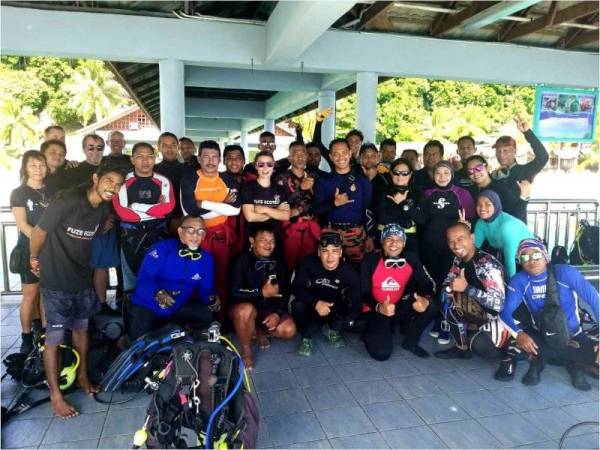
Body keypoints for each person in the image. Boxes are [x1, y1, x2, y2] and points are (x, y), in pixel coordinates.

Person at [29, 165, 124, 418]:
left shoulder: (103, 208)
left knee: (82, 329)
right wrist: (34, 258)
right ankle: (56, 395)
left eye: (118, 185)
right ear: (95, 178)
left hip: (82, 279)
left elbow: (101, 227)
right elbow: (39, 231)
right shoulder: (67, 200)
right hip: (57, 281)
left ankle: (82, 377)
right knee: (55, 338)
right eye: (108, 181)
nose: (112, 188)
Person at [497, 239, 599, 390]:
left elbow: (595, 300)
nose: (532, 260)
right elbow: (505, 313)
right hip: (541, 337)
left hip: (572, 335)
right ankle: (564, 359)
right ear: (520, 261)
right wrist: (518, 334)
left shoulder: (565, 272)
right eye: (525, 257)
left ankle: (557, 359)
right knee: (518, 345)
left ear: (546, 256)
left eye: (536, 255)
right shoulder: (519, 280)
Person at [127, 216, 218, 340]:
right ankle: (126, 341)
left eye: (200, 231)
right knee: (141, 348)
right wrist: (157, 293)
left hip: (177, 308)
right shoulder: (161, 248)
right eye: (190, 230)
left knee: (205, 315)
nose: (195, 235)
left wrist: (212, 299)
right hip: (148, 306)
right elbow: (144, 279)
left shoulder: (207, 259)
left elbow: (205, 289)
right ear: (180, 232)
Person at [417, 161, 475, 343]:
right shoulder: (427, 193)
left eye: (446, 173)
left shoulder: (462, 194)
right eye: (438, 173)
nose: (442, 177)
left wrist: (467, 227)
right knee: (433, 285)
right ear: (433, 175)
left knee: (447, 286)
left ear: (452, 175)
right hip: (429, 248)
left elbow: (471, 219)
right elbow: (421, 220)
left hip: (451, 250)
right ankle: (436, 319)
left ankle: (446, 322)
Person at [360, 224, 436, 360]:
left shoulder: (411, 259)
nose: (394, 243)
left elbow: (427, 283)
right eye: (389, 239)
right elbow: (363, 293)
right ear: (382, 242)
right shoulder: (370, 261)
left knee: (432, 305)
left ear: (404, 243)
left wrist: (426, 299)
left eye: (399, 239)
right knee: (381, 354)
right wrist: (379, 307)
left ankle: (410, 342)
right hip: (376, 309)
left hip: (400, 305)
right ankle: (372, 330)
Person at [180, 140, 240, 311]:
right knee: (195, 275)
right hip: (196, 236)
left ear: (220, 159)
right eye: (206, 156)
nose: (210, 161)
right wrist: (223, 206)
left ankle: (220, 316)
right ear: (199, 158)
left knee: (221, 275)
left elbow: (235, 210)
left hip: (221, 236)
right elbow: (189, 212)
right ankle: (197, 316)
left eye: (214, 157)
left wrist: (203, 203)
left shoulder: (227, 179)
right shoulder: (189, 179)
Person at [434, 222, 508, 360]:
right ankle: (461, 348)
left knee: (479, 345)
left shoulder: (485, 264)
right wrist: (449, 290)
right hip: (481, 309)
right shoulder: (458, 259)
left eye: (460, 239)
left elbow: (499, 305)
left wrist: (466, 288)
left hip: (501, 317)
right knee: (446, 298)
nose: (456, 245)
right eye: (451, 241)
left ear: (472, 238)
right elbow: (448, 281)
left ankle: (507, 354)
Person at [229, 224, 296, 369]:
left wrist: (277, 314)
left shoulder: (279, 262)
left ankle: (258, 330)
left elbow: (286, 292)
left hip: (267, 310)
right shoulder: (240, 261)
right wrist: (261, 292)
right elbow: (234, 291)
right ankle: (246, 349)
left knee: (289, 330)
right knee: (245, 310)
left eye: (272, 241)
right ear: (252, 241)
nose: (268, 245)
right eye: (263, 240)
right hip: (244, 310)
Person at [112, 142, 175, 292]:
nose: (145, 161)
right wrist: (154, 210)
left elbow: (168, 208)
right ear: (132, 160)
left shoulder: (163, 181)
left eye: (149, 156)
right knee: (132, 281)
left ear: (155, 159)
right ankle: (131, 313)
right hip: (130, 237)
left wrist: (135, 206)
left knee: (158, 277)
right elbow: (122, 212)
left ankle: (157, 312)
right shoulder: (123, 181)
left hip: (158, 235)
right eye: (140, 156)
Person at [291, 232, 361, 356]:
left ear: (340, 253)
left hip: (335, 306)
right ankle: (306, 338)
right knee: (297, 305)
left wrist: (350, 320)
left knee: (352, 320)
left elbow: (356, 299)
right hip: (313, 303)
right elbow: (296, 287)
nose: (330, 257)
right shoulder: (309, 262)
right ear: (319, 252)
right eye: (325, 251)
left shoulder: (349, 271)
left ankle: (332, 330)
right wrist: (316, 303)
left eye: (334, 251)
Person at [10, 151, 52, 353]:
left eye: (42, 164)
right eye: (33, 165)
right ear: (25, 168)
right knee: (30, 294)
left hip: (51, 249)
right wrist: (39, 244)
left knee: (45, 292)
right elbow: (23, 225)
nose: (38, 169)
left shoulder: (52, 190)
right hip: (29, 248)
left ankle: (44, 332)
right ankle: (26, 336)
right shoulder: (19, 192)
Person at [313, 138, 374, 265]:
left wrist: (370, 236)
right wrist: (334, 204)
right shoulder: (323, 181)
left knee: (356, 270)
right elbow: (316, 210)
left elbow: (369, 210)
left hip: (356, 234)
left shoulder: (362, 180)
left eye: (344, 152)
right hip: (330, 233)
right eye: (336, 153)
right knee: (330, 270)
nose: (341, 157)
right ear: (330, 156)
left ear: (350, 153)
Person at [275, 142, 321, 272]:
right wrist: (301, 189)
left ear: (307, 156)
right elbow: (280, 203)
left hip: (311, 228)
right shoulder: (282, 177)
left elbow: (319, 203)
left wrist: (298, 209)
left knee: (308, 266)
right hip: (289, 228)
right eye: (296, 154)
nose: (300, 157)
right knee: (287, 264)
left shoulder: (315, 177)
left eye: (303, 154)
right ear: (289, 158)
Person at [474, 190, 533, 278]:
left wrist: (510, 286)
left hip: (532, 259)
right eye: (479, 204)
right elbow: (473, 250)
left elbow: (510, 260)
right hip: (513, 260)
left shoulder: (507, 226)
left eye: (488, 204)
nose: (482, 208)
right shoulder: (481, 223)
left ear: (496, 205)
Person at [240, 151, 290, 246]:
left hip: (275, 238)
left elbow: (286, 216)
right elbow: (250, 217)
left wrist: (264, 209)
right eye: (261, 164)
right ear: (256, 166)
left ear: (274, 166)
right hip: (253, 238)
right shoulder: (247, 187)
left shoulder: (280, 189)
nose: (265, 168)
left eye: (269, 164)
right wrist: (275, 212)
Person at [374, 158, 423, 253]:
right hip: (385, 240)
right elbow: (381, 217)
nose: (400, 176)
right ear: (391, 173)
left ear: (410, 174)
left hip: (410, 241)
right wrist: (407, 223)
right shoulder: (382, 191)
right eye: (396, 173)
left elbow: (422, 218)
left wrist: (403, 203)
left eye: (404, 173)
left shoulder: (417, 192)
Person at [465, 155, 529, 223]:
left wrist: (524, 197)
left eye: (479, 168)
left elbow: (516, 214)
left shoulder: (500, 188)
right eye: (470, 171)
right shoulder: (470, 191)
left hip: (502, 229)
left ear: (487, 167)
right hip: (482, 230)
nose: (475, 173)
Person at [492, 117, 549, 186]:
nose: (501, 154)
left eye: (505, 150)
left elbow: (543, 157)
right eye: (498, 151)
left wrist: (527, 132)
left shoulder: (525, 171)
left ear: (515, 151)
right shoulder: (492, 176)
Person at [154, 131, 186, 217]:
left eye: (173, 145)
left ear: (178, 147)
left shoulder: (189, 170)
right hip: (159, 218)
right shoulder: (152, 170)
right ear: (159, 148)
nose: (169, 149)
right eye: (165, 145)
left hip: (184, 218)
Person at [222, 144, 247, 255]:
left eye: (238, 158)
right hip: (224, 230)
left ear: (244, 161)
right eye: (230, 158)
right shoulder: (217, 179)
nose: (234, 161)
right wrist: (222, 204)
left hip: (247, 230)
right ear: (224, 161)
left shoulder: (252, 179)